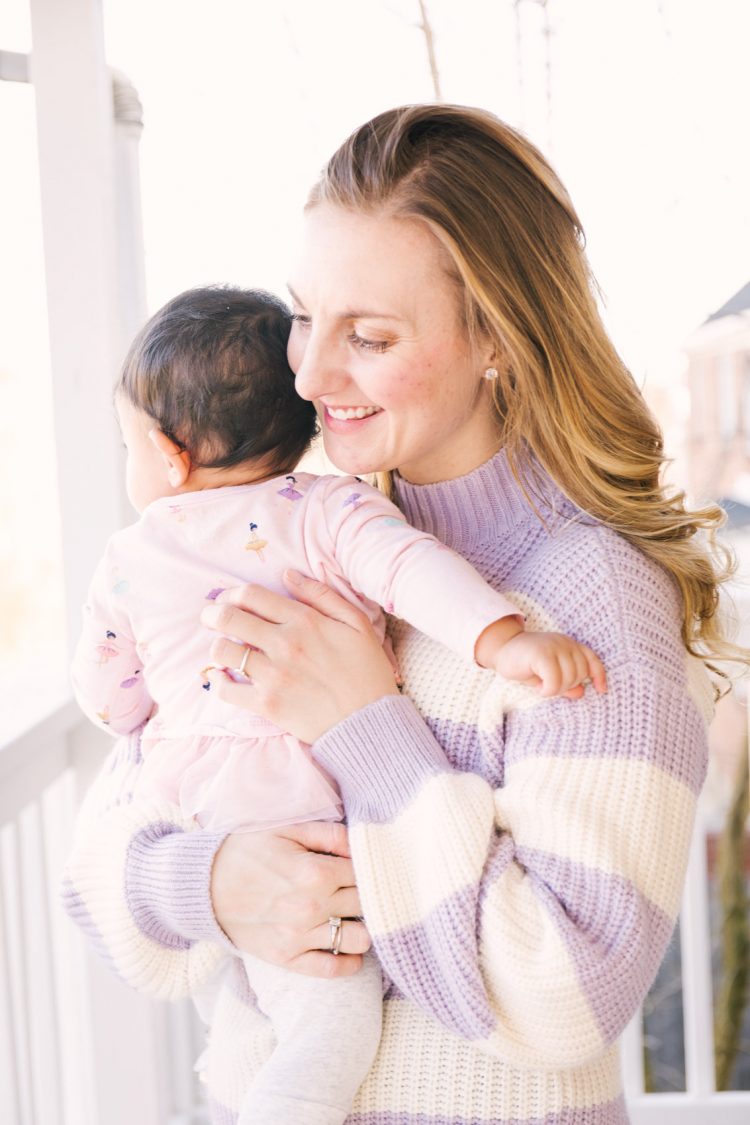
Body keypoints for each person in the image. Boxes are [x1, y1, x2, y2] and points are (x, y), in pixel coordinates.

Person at [63, 104, 742, 1125]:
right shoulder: (304, 540)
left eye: (370, 337)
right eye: (303, 316)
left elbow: (568, 991)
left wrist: (366, 729)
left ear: (498, 342)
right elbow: (99, 860)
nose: (308, 375)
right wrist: (208, 882)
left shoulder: (585, 603)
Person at [70, 284, 605, 1125]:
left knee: (245, 1004)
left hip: (187, 801)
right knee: (331, 1022)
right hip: (307, 807)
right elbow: (415, 575)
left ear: (171, 455)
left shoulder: (132, 555)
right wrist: (504, 638)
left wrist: (151, 712)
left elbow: (109, 697)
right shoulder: (328, 509)